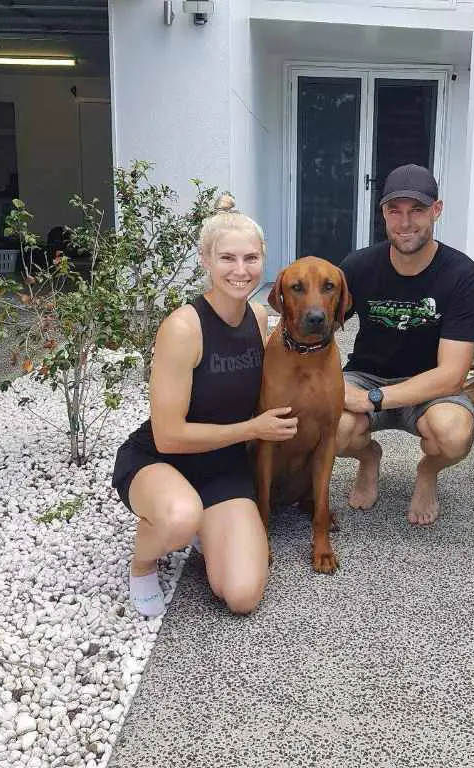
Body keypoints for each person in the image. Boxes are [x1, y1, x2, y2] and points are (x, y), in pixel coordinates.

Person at [112, 195, 298, 617]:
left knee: (242, 595)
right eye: (227, 258)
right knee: (179, 517)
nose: (240, 270)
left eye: (251, 257)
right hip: (160, 459)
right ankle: (142, 564)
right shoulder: (183, 327)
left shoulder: (258, 318)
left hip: (223, 467)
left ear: (263, 259)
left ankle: (204, 528)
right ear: (205, 261)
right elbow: (169, 435)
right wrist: (253, 429)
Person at [336, 164, 474, 526]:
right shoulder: (357, 267)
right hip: (367, 375)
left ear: (437, 210)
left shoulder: (461, 275)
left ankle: (428, 471)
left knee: (453, 434)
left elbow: (451, 375)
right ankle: (369, 457)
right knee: (331, 428)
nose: (405, 222)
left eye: (417, 210)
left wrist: (373, 400)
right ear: (383, 213)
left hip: (430, 387)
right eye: (395, 210)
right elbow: (318, 332)